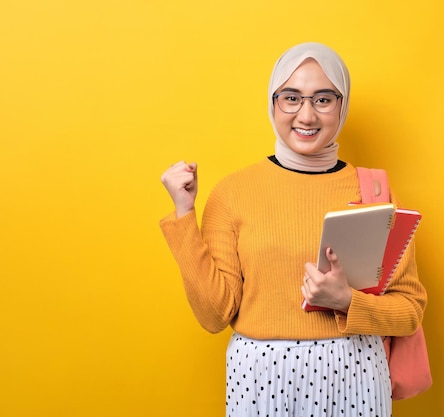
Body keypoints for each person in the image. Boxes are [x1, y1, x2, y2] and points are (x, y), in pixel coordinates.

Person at [160, 42, 427, 417]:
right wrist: (184, 212)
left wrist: (348, 301)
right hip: (259, 375)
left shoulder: (376, 194)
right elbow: (214, 315)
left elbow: (410, 310)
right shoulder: (233, 192)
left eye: (323, 99)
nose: (306, 114)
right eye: (290, 98)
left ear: (342, 104)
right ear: (272, 104)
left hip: (356, 371)